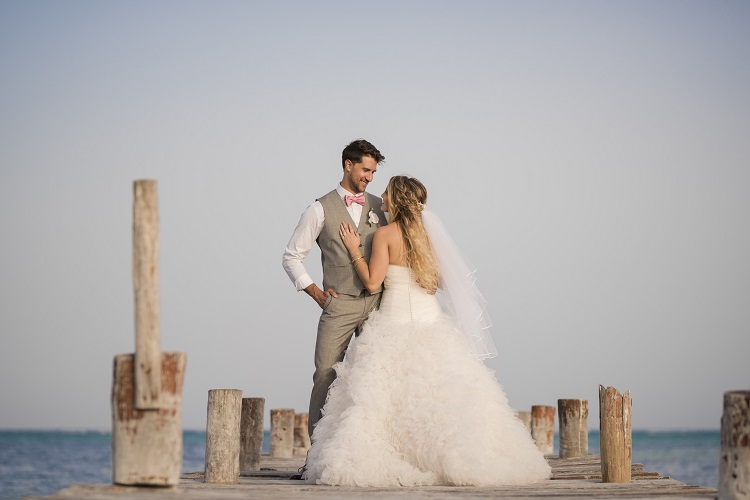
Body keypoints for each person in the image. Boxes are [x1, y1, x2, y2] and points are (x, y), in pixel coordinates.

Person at [303, 176, 551, 486]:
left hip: (393, 323)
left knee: (386, 397)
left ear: (396, 200)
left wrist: (355, 250)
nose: (382, 196)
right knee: (441, 392)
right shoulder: (429, 237)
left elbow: (371, 282)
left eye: (387, 192)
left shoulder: (385, 235)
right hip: (431, 322)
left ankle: (403, 458)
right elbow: (442, 283)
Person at [282, 139, 388, 454]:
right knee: (326, 375)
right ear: (348, 165)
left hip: (377, 305)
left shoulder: (380, 206)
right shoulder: (318, 209)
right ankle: (315, 456)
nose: (370, 178)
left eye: (373, 172)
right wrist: (315, 293)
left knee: (376, 376)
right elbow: (291, 256)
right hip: (337, 305)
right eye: (366, 170)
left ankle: (373, 451)